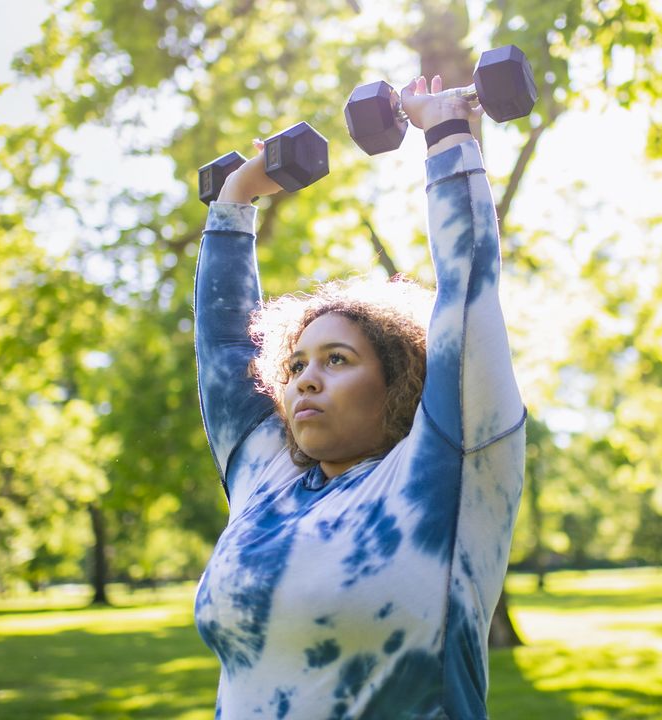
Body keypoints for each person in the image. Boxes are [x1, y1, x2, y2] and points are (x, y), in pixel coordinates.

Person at [193, 74, 526, 719]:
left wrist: (447, 133)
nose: (304, 380)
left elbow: (467, 296)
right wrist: (234, 202)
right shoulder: (267, 479)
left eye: (337, 360)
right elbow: (226, 352)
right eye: (295, 365)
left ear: (402, 381)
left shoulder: (445, 473)